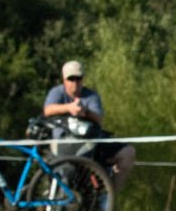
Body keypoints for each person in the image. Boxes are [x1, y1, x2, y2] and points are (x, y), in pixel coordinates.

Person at [42, 60, 136, 191]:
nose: (75, 82)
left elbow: (98, 118)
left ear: (83, 79)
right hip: (63, 148)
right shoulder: (56, 93)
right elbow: (47, 110)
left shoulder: (91, 96)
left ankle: (110, 197)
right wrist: (69, 108)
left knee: (128, 152)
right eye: (71, 79)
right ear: (64, 79)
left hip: (90, 145)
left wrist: (85, 111)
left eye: (78, 78)